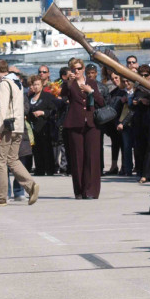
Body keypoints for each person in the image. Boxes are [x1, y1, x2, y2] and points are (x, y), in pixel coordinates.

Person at [0, 59, 40, 206]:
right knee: (12, 159)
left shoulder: (4, 84)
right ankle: (31, 185)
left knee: (0, 161)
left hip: (5, 127)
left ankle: (0, 197)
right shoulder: (17, 83)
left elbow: (1, 108)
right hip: (18, 127)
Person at [60, 58, 105, 199]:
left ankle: (91, 191)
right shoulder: (70, 83)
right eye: (73, 69)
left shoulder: (92, 83)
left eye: (79, 68)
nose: (76, 71)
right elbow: (63, 94)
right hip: (75, 123)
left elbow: (101, 102)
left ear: (83, 69)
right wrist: (69, 82)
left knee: (92, 157)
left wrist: (91, 91)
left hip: (92, 123)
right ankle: (79, 191)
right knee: (77, 157)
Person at [27, 75, 57, 176]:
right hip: (33, 127)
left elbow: (54, 110)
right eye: (34, 84)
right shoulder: (29, 97)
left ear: (42, 85)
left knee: (46, 148)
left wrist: (43, 112)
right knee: (36, 149)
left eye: (38, 84)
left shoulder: (47, 96)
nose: (36, 86)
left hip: (45, 126)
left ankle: (49, 169)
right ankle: (39, 169)